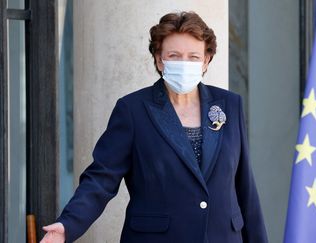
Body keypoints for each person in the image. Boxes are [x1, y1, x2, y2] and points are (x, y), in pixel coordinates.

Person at [41, 11, 268, 243]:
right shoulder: (133, 110)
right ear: (159, 60)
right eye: (174, 55)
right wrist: (67, 226)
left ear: (206, 60)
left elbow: (245, 188)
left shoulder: (230, 105)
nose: (184, 63)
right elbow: (101, 179)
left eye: (193, 57)